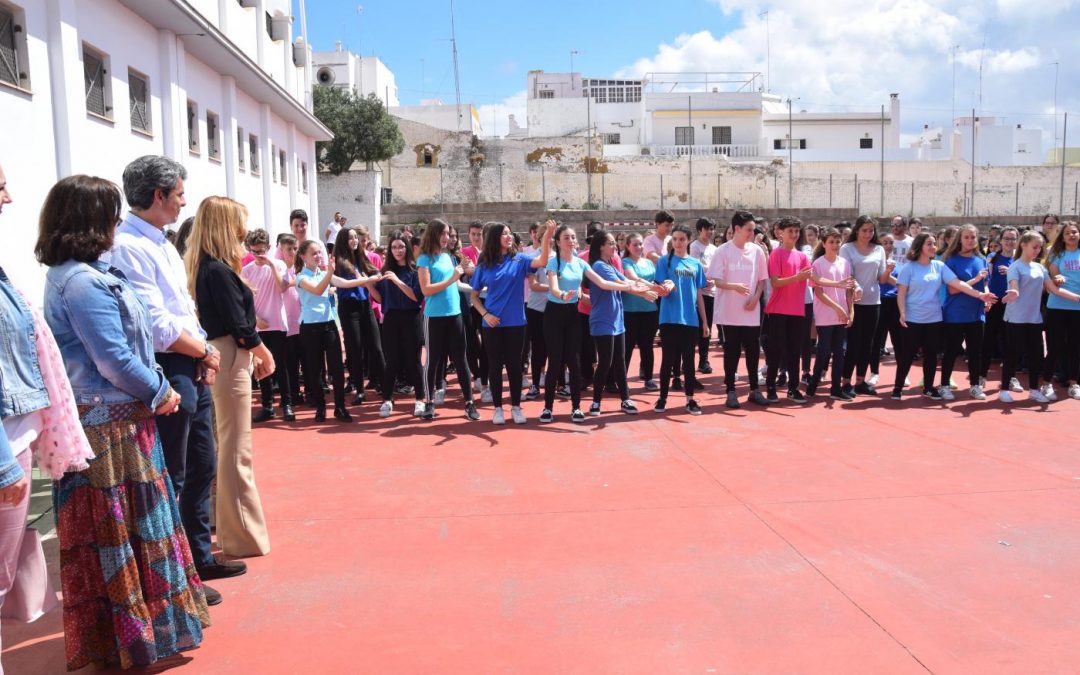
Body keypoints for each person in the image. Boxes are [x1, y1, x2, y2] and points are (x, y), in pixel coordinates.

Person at [38, 174, 210, 668]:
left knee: (131, 537)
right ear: (90, 220)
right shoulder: (82, 281)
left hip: (122, 422)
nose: (118, 222)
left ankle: (135, 639)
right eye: (110, 213)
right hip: (110, 430)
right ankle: (129, 642)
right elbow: (112, 358)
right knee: (121, 538)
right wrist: (161, 390)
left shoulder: (84, 274)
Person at [110, 155, 244, 595]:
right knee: (175, 471)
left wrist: (202, 352)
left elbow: (183, 310)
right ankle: (175, 576)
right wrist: (203, 349)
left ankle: (198, 558)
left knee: (202, 464)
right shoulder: (129, 246)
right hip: (167, 366)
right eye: (180, 194)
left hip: (189, 362)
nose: (184, 203)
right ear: (158, 196)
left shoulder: (163, 243)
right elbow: (157, 323)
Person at [187, 196, 275, 558]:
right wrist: (263, 352)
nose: (243, 231)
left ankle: (234, 531)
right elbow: (240, 325)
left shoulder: (211, 267)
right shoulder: (218, 271)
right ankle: (242, 536)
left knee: (231, 447)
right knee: (236, 450)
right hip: (228, 356)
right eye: (239, 223)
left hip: (227, 354)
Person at [542, 225, 639, 423]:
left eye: (573, 237)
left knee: (575, 362)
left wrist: (629, 286)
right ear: (558, 242)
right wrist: (562, 294)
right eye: (566, 237)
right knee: (555, 363)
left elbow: (602, 283)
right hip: (554, 314)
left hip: (573, 314)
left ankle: (576, 408)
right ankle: (547, 408)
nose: (570, 240)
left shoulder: (581, 264)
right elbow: (553, 287)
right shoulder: (554, 262)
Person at [893, 233, 997, 401]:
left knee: (931, 354)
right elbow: (901, 293)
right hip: (913, 318)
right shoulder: (909, 268)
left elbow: (958, 284)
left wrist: (980, 295)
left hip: (934, 317)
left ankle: (928, 387)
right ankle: (898, 387)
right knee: (907, 353)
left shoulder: (939, 266)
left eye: (934, 244)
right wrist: (902, 312)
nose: (933, 247)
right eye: (929, 244)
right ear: (919, 246)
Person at [470, 221, 554, 424]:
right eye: (504, 234)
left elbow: (542, 260)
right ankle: (497, 408)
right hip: (492, 324)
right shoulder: (485, 265)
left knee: (515, 366)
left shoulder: (520, 259)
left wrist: (546, 237)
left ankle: (516, 406)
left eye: (510, 233)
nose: (509, 236)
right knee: (495, 366)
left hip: (516, 323)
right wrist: (485, 315)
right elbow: (474, 296)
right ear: (495, 238)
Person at [1001, 230, 1080, 402]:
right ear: (1023, 245)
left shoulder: (1039, 267)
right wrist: (1013, 292)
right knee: (1013, 353)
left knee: (1036, 355)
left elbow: (1053, 289)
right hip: (1016, 318)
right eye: (1034, 247)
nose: (1037, 250)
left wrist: (1076, 298)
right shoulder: (1015, 267)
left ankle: (1035, 390)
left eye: (1039, 248)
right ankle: (1004, 389)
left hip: (1034, 318)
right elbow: (1013, 285)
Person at [587, 231, 658, 415]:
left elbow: (626, 280)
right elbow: (618, 285)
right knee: (605, 363)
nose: (614, 246)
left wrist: (650, 288)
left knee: (620, 361)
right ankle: (595, 402)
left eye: (614, 243)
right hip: (603, 320)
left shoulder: (610, 264)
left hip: (617, 320)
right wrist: (642, 292)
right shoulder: (599, 265)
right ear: (601, 246)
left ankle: (625, 399)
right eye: (610, 243)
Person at [417, 219, 479, 420]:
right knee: (433, 361)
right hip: (434, 316)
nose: (447, 238)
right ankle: (429, 402)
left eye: (448, 234)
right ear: (433, 234)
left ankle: (469, 403)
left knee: (461, 359)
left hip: (455, 314)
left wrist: (474, 279)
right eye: (443, 233)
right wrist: (454, 276)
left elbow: (457, 283)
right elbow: (427, 290)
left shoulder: (447, 258)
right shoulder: (424, 259)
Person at [708, 210, 770, 409]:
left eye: (753, 230)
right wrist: (734, 286)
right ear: (737, 229)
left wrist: (756, 298)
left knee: (752, 351)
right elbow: (715, 279)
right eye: (749, 230)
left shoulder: (757, 251)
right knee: (731, 352)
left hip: (750, 311)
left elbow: (762, 279)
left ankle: (754, 390)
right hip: (729, 313)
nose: (752, 233)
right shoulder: (723, 251)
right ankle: (731, 391)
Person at [653, 224, 708, 415]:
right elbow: (658, 288)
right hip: (669, 318)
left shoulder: (695, 264)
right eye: (674, 239)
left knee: (689, 361)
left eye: (682, 239)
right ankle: (662, 398)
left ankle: (690, 399)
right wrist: (666, 288)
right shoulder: (663, 262)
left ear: (688, 240)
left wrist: (705, 322)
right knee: (667, 360)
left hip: (690, 320)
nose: (678, 242)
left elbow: (699, 293)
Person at [241, 228, 295, 422]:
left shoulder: (279, 264)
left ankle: (287, 404)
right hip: (259, 326)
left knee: (280, 365)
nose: (258, 255)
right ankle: (267, 406)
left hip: (278, 324)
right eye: (255, 251)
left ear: (269, 248)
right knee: (262, 366)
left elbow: (282, 288)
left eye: (262, 250)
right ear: (249, 249)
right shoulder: (245, 271)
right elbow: (243, 301)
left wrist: (271, 264)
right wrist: (255, 319)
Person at [839, 215, 893, 397]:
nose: (868, 234)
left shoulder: (878, 249)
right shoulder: (847, 249)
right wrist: (857, 286)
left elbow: (882, 279)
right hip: (854, 303)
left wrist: (888, 271)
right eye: (864, 230)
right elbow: (847, 274)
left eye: (871, 230)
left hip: (874, 302)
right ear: (857, 230)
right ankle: (845, 381)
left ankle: (860, 381)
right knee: (853, 343)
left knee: (868, 345)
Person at [374, 232, 425, 417]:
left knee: (413, 361)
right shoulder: (386, 270)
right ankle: (387, 399)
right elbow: (380, 298)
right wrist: (368, 284)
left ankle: (420, 399)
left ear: (407, 248)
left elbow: (416, 297)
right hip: (391, 319)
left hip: (411, 317)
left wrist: (396, 280)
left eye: (401, 246)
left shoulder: (414, 270)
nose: (398, 250)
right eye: (394, 247)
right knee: (392, 362)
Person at [333, 226, 384, 403]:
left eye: (356, 237)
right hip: (349, 308)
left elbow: (375, 271)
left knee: (377, 348)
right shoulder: (339, 261)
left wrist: (374, 275)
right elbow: (351, 282)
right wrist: (368, 279)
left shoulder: (361, 257)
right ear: (343, 241)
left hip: (365, 305)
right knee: (355, 350)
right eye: (351, 238)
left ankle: (386, 387)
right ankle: (359, 390)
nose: (355, 241)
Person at [807, 228, 859, 399]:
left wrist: (850, 310)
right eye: (831, 242)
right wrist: (837, 308)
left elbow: (849, 289)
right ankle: (813, 383)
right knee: (824, 351)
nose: (835, 245)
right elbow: (819, 292)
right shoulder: (818, 264)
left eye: (838, 242)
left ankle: (836, 389)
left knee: (839, 352)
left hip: (842, 314)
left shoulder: (844, 263)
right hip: (825, 315)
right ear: (824, 244)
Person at [939, 224, 990, 400]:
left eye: (973, 237)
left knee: (975, 352)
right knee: (952, 350)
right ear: (960, 239)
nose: (970, 241)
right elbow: (953, 290)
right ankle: (944, 385)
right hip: (955, 314)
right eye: (966, 237)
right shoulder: (951, 261)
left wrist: (987, 296)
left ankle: (975, 385)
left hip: (976, 313)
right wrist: (976, 279)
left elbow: (984, 284)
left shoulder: (981, 260)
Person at [1043, 221, 1080, 400]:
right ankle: (1046, 384)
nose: (1071, 235)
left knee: (1076, 347)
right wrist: (1057, 278)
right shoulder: (1057, 254)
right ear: (1062, 237)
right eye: (1067, 233)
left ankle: (1074, 383)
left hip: (1077, 310)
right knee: (1055, 347)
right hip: (1057, 306)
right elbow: (1053, 275)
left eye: (1074, 232)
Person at [622, 233, 660, 391]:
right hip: (629, 311)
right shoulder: (625, 262)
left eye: (640, 244)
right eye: (635, 244)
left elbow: (657, 280)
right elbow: (633, 277)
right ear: (628, 246)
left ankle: (649, 378)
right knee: (627, 347)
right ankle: (621, 380)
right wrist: (652, 287)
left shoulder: (649, 263)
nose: (638, 247)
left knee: (647, 346)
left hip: (650, 310)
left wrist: (660, 286)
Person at [981, 227, 1017, 390]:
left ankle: (1010, 378)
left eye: (1012, 238)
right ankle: (981, 377)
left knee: (1010, 343)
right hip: (995, 304)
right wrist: (987, 297)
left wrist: (1012, 272)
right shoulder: (992, 258)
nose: (1009, 241)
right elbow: (986, 281)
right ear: (1000, 241)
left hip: (1013, 305)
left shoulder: (1019, 259)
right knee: (988, 341)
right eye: (1006, 238)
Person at [869, 233, 902, 386]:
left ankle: (902, 373)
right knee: (876, 340)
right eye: (885, 242)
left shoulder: (899, 265)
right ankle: (874, 372)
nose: (888, 245)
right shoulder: (873, 263)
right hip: (878, 302)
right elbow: (880, 279)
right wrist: (886, 273)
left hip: (894, 303)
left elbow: (901, 285)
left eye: (890, 242)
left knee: (898, 340)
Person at [690, 217, 718, 374]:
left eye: (712, 228)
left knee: (707, 328)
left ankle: (704, 360)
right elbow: (696, 266)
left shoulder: (715, 249)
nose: (710, 231)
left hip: (712, 293)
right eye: (707, 228)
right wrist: (708, 276)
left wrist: (713, 278)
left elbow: (718, 268)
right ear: (700, 230)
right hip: (698, 292)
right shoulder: (694, 246)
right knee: (697, 328)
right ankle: (688, 360)